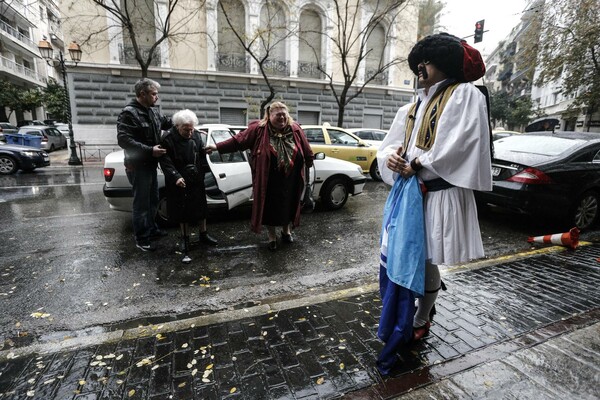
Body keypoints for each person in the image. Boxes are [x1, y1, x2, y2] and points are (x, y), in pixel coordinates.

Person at [375, 33, 492, 375]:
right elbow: (388, 146)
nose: (420, 68)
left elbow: (461, 141)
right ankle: (414, 313)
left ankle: (422, 315)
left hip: (437, 193)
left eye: (427, 61)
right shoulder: (410, 107)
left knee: (425, 259)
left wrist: (419, 163)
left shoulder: (465, 94)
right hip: (409, 195)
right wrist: (392, 160)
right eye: (418, 62)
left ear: (446, 63)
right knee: (409, 257)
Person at [204, 102, 314, 251]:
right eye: (278, 115)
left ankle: (286, 230)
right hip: (268, 179)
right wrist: (217, 147)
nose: (282, 118)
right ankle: (271, 236)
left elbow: (306, 148)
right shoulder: (259, 129)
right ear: (269, 116)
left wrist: (309, 159)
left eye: (284, 114)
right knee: (269, 208)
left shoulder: (295, 129)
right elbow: (238, 141)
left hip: (291, 179)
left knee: (289, 204)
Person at [117, 78, 172, 252]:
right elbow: (124, 140)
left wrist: (184, 122)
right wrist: (150, 150)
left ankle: (152, 229)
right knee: (141, 204)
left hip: (150, 165)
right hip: (138, 166)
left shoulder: (153, 111)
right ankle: (141, 239)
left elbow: (166, 122)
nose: (157, 97)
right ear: (142, 94)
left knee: (153, 200)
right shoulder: (129, 113)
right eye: (154, 94)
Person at [159, 109, 218, 263]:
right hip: (178, 178)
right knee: (182, 210)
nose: (190, 132)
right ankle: (184, 239)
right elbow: (165, 161)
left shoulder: (197, 135)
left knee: (201, 207)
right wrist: (175, 177)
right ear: (178, 127)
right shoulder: (168, 139)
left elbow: (200, 153)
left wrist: (206, 154)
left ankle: (203, 234)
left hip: (195, 177)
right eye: (186, 129)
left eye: (192, 129)